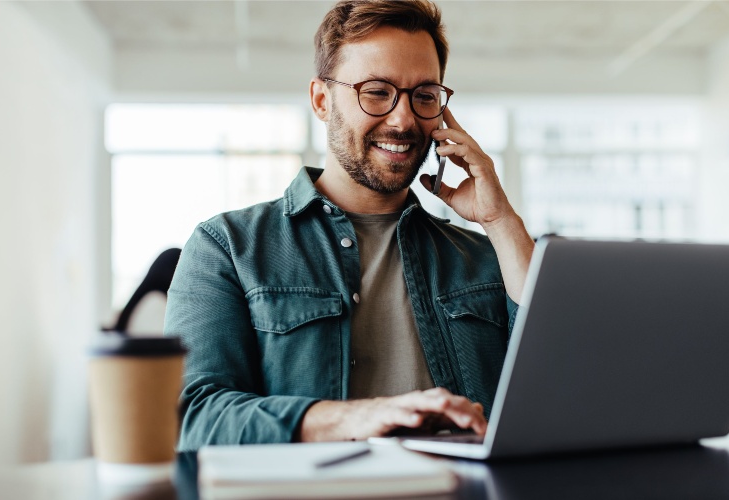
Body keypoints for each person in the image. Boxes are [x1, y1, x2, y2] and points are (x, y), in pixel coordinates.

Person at [164, 0, 535, 450]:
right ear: (322, 100)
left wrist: (500, 221)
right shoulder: (227, 248)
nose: (402, 120)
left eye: (424, 96)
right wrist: (359, 416)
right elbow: (191, 419)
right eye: (376, 91)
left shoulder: (484, 258)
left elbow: (562, 386)